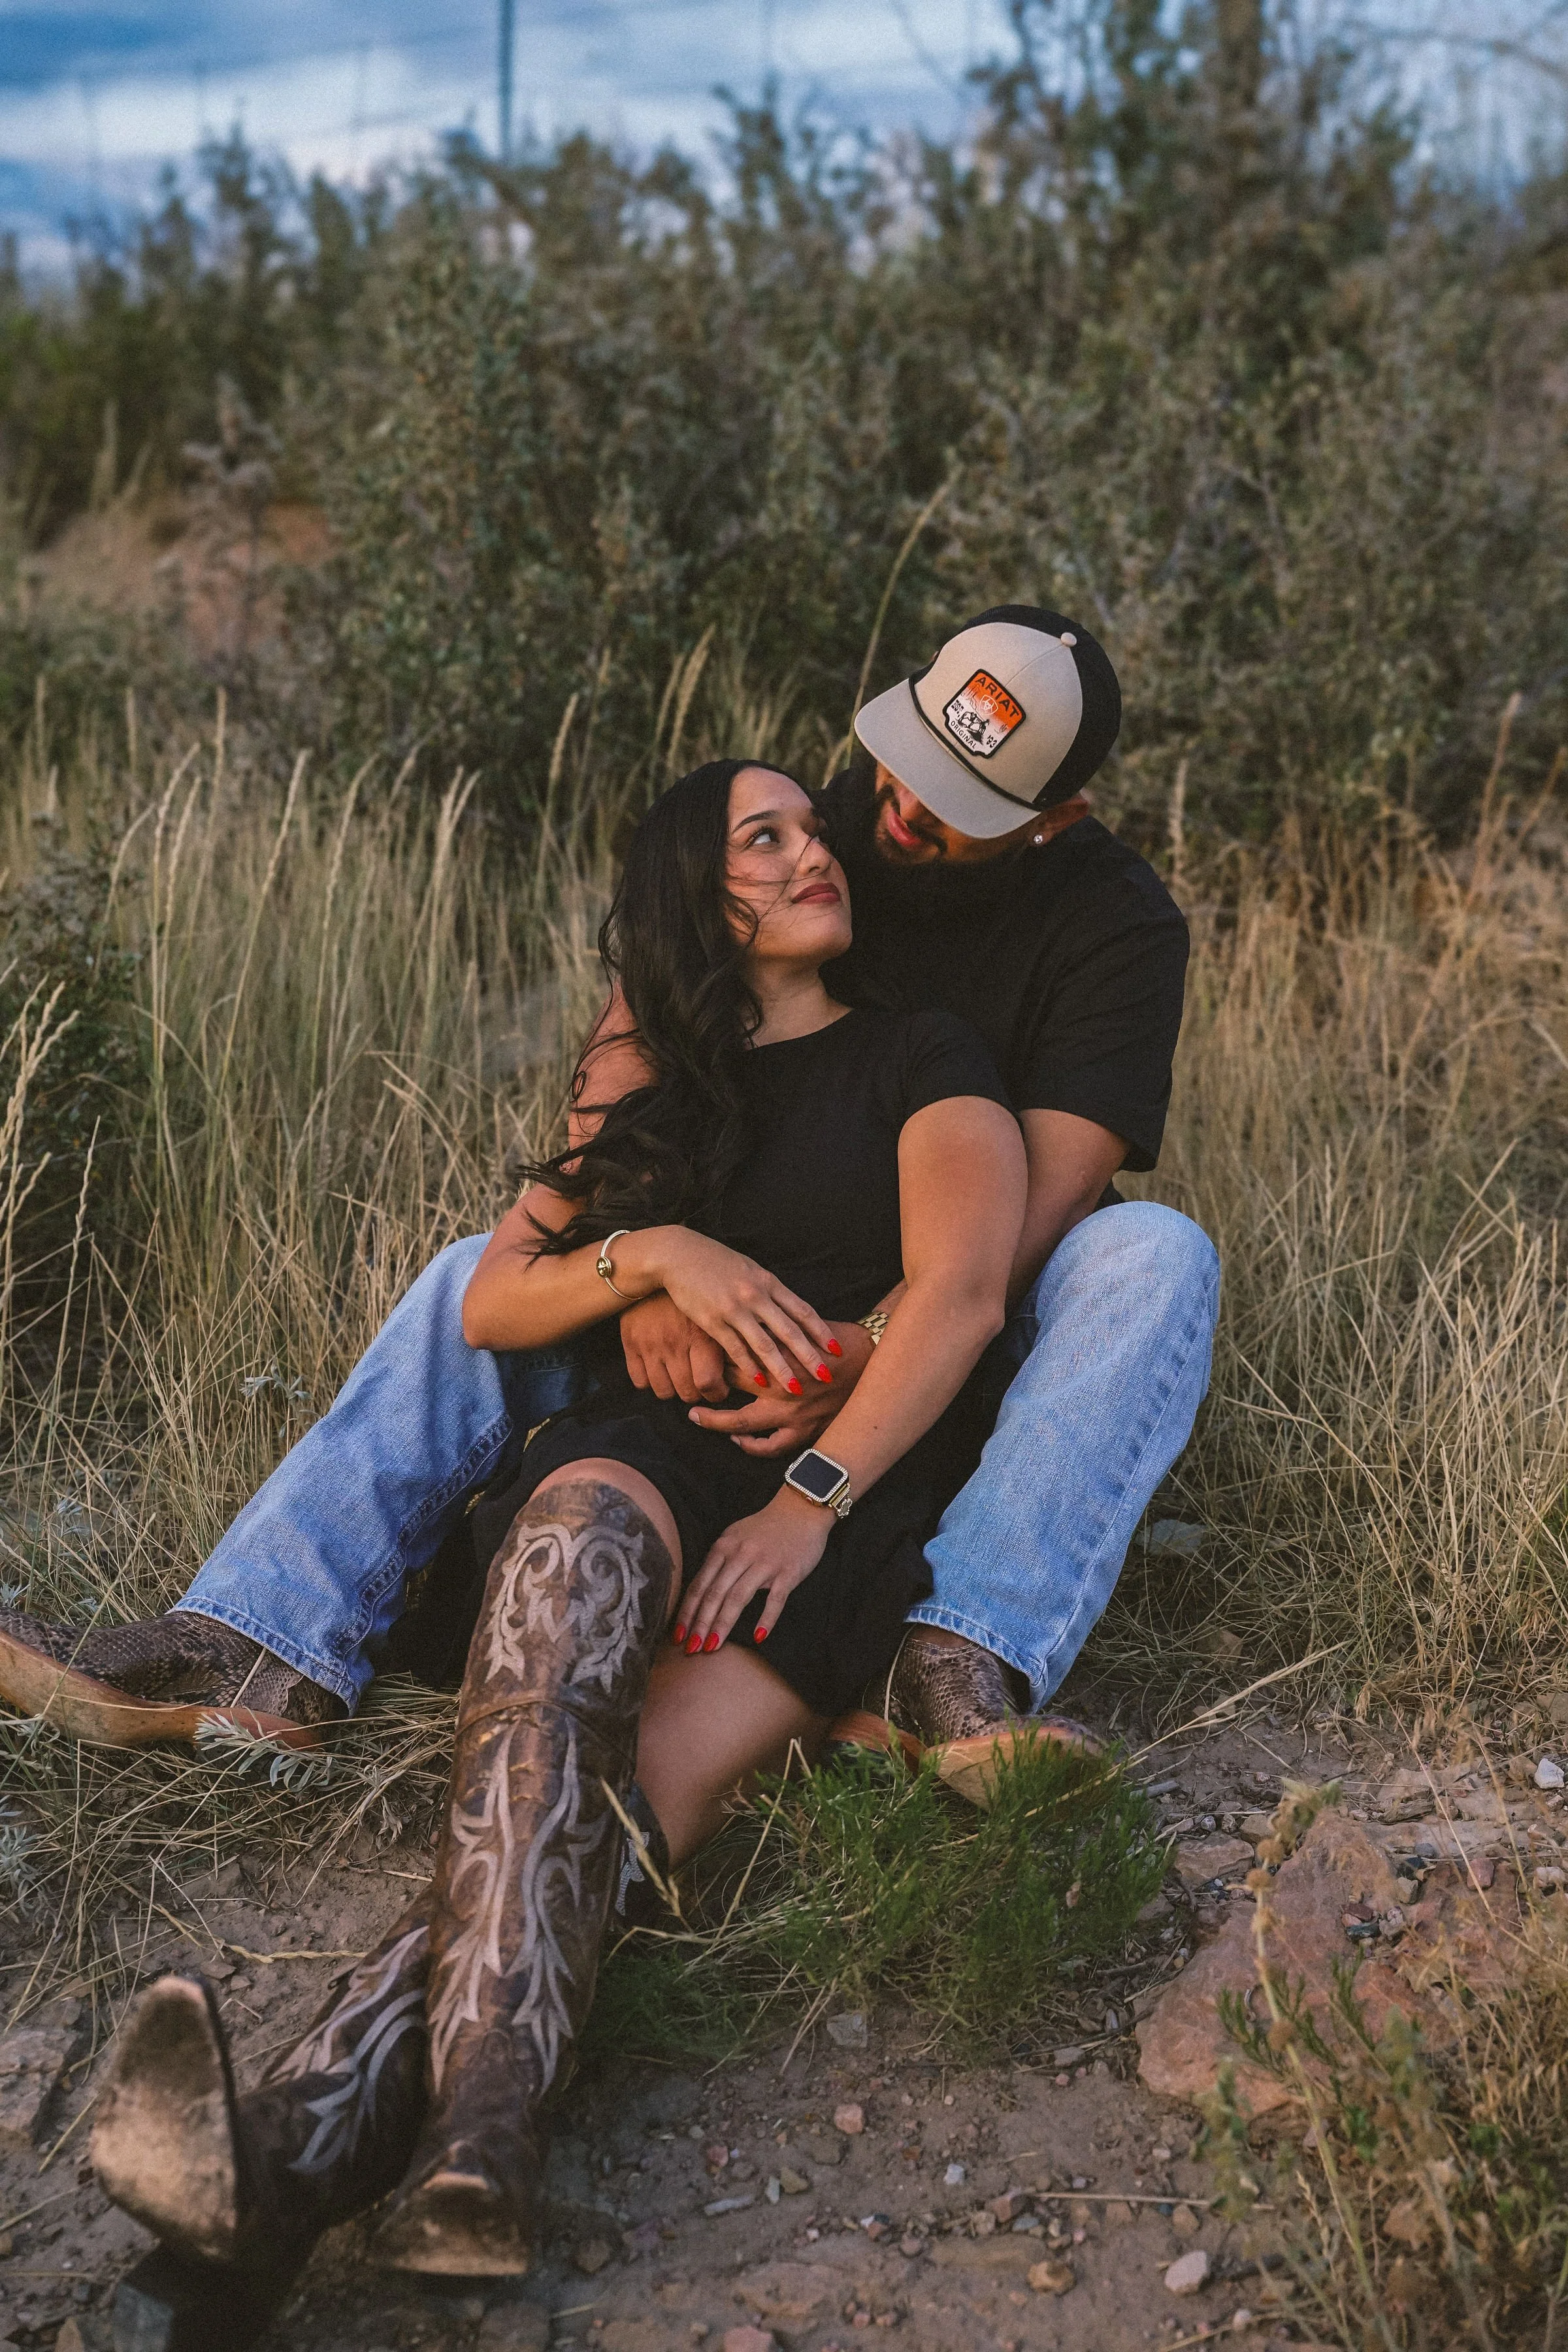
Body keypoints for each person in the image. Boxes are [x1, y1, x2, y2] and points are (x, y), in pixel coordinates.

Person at [0, 604, 1219, 1795]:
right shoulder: (822, 832)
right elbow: (648, 1034)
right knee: (468, 1275)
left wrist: (862, 1349)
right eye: (899, 763)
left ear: (1056, 818)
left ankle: (953, 1658)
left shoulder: (1115, 929)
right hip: (725, 1281)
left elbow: (1025, 1226)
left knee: (1150, 1254)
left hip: (937, 1310)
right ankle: (264, 1644)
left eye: (950, 809)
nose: (892, 814)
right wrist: (634, 1256)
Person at [89, 755, 1027, 2281]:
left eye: (812, 831)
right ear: (694, 893)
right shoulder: (657, 1065)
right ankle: (476, 2158)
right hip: (637, 1465)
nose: (813, 856)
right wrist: (659, 1250)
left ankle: (263, 2209)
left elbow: (964, 1300)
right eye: (763, 838)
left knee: (572, 1822)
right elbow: (493, 1297)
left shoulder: (928, 1056)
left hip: (827, 1504)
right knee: (573, 1538)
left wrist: (810, 1499)